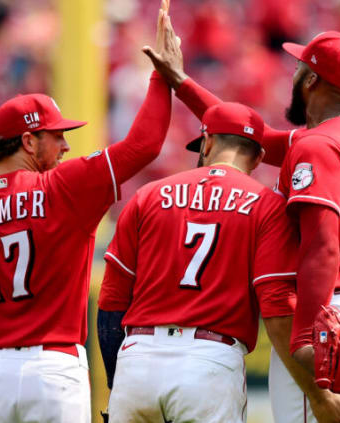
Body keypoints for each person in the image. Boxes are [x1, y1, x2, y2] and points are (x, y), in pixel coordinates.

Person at [0, 4, 175, 422]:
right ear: (27, 141)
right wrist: (161, 75)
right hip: (52, 371)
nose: (66, 147)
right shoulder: (65, 187)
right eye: (57, 136)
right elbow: (144, 145)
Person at [149, 20, 340, 423]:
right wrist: (180, 81)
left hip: (328, 313)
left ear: (312, 79)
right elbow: (247, 133)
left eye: (299, 67)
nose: (292, 74)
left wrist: (305, 335)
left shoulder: (318, 146)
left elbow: (321, 246)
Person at [98, 101, 303, 423]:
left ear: (207, 142)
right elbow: (276, 302)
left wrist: (116, 381)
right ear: (260, 156)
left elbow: (111, 301)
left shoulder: (148, 195)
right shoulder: (268, 206)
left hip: (138, 358)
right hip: (210, 360)